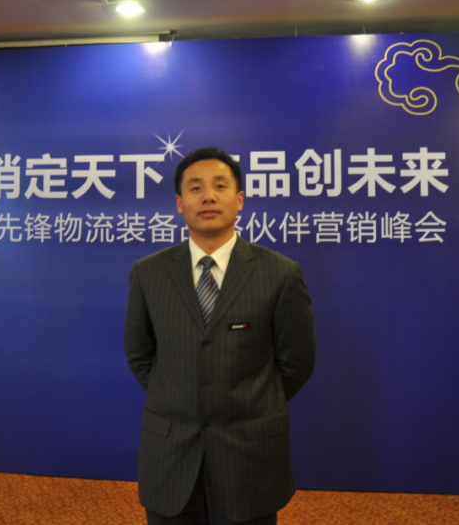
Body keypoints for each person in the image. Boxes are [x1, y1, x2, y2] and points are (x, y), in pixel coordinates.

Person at [124, 147, 317, 525]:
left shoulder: (280, 273)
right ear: (180, 203)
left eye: (220, 186)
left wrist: (248, 401)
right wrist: (183, 396)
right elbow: (140, 355)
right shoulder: (148, 273)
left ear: (239, 199)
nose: (208, 196)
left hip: (249, 455)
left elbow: (297, 362)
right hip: (170, 454)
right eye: (195, 188)